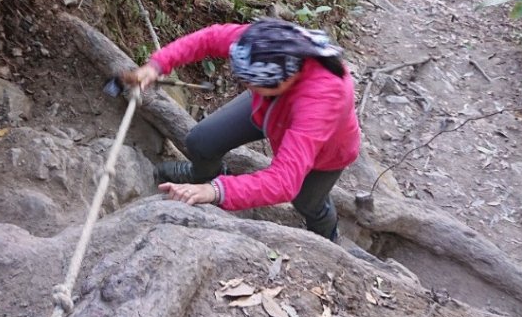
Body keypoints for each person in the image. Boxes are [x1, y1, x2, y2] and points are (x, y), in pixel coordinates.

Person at [122, 18, 360, 241]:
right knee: (202, 141)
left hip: (326, 152)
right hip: (269, 109)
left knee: (307, 202)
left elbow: (284, 182)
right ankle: (202, 175)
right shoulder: (262, 45)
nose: (246, 86)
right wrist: (156, 65)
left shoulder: (323, 96)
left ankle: (328, 239)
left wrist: (215, 191)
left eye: (250, 83)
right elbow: (209, 38)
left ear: (282, 82)